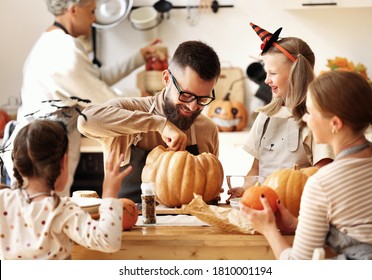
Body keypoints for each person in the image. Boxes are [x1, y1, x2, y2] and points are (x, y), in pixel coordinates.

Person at [1, 0, 160, 197]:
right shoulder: (65, 51)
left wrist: (139, 57)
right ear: (74, 9)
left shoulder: (51, 40)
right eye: (92, 11)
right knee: (48, 215)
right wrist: (149, 105)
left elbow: (95, 78)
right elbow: (104, 99)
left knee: (33, 216)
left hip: (30, 147)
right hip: (43, 153)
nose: (94, 19)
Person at [241, 71, 372, 260]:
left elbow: (298, 267)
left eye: (309, 112)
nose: (304, 119)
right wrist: (297, 224)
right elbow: (365, 228)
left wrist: (268, 229)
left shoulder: (322, 183)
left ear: (335, 123)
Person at [78, 40, 221, 204]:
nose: (193, 106)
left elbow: (207, 197)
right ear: (167, 79)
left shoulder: (207, 130)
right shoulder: (129, 109)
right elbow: (85, 120)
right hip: (129, 224)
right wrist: (159, 124)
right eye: (186, 95)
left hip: (188, 228)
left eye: (203, 99)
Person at [227, 23, 333, 201]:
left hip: (298, 207)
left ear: (295, 74)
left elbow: (323, 173)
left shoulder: (315, 119)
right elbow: (256, 170)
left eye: (273, 73)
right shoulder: (266, 116)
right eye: (266, 73)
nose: (267, 80)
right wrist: (245, 189)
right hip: (264, 204)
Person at [0, 119, 133, 260]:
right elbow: (107, 241)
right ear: (64, 162)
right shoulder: (62, 210)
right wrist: (109, 194)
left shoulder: (3, 199)